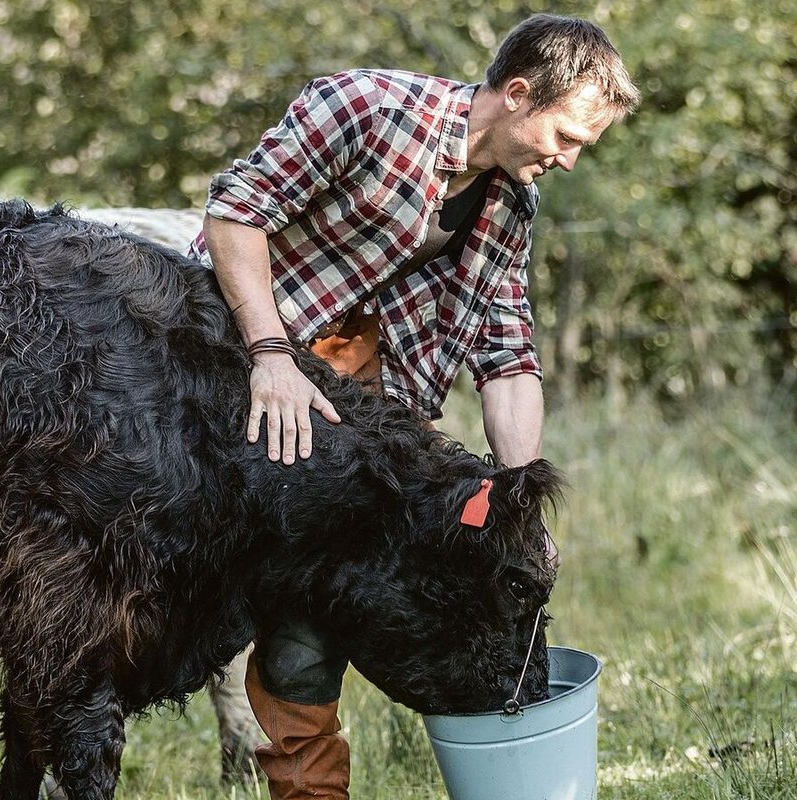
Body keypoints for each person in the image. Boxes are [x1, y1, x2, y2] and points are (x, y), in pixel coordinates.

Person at [189, 13, 639, 799]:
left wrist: (518, 495)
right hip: (247, 377)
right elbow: (235, 213)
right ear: (518, 95)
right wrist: (268, 357)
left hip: (368, 422)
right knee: (219, 603)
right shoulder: (364, 108)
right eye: (564, 137)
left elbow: (506, 354)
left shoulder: (508, 205)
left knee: (328, 603)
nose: (568, 161)